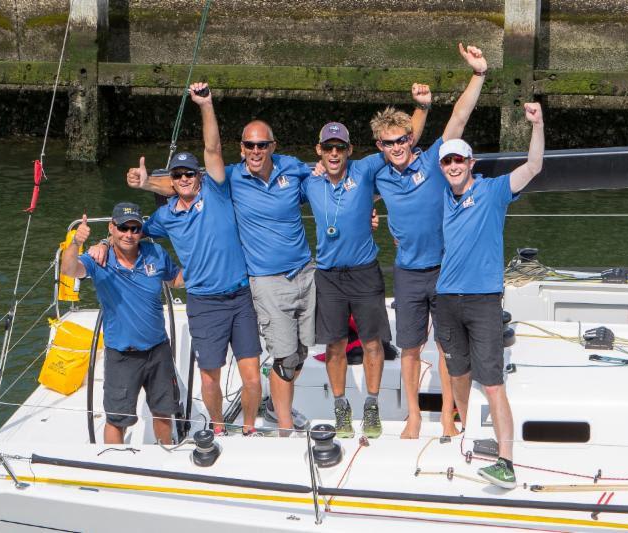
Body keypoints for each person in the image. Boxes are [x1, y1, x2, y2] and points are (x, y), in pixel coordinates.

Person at [130, 85, 427, 437]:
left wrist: (364, 213)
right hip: (267, 282)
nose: (256, 151)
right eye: (250, 145)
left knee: (302, 352)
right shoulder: (231, 180)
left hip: (306, 273)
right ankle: (285, 428)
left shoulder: (298, 171)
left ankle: (278, 403)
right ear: (242, 149)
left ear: (273, 146)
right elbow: (190, 179)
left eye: (263, 145)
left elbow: (383, 158)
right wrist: (151, 182)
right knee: (288, 358)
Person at [122, 83, 264, 436]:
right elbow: (133, 233)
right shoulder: (166, 216)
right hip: (203, 302)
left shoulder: (216, 191)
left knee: (251, 372)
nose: (184, 179)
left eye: (189, 173)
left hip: (240, 296)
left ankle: (248, 428)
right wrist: (102, 245)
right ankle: (217, 428)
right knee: (209, 376)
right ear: (171, 180)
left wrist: (206, 105)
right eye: (178, 175)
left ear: (199, 176)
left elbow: (213, 147)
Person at [371, 43, 488, 439]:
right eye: (389, 143)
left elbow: (459, 116)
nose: (397, 147)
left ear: (411, 139)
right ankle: (414, 417)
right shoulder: (379, 176)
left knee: (447, 349)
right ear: (380, 148)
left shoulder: (435, 161)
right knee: (410, 349)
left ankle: (450, 416)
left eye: (402, 139)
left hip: (445, 270)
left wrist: (478, 75)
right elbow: (340, 186)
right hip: (407, 272)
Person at [435, 102, 544, 489]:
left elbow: (533, 168)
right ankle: (467, 429)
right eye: (447, 161)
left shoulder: (494, 191)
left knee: (492, 381)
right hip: (446, 299)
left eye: (459, 160)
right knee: (458, 373)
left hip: (482, 300)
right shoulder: (442, 195)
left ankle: (506, 461)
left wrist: (537, 125)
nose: (453, 166)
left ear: (471, 162)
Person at [61, 204, 184, 444]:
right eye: (122, 228)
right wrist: (76, 242)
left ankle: (165, 455)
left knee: (163, 410)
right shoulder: (98, 259)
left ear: (141, 230)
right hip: (122, 355)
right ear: (111, 228)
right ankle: (114, 468)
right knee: (117, 420)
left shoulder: (155, 253)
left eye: (135, 228)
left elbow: (176, 279)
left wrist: (204, 264)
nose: (128, 234)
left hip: (159, 350)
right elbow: (68, 269)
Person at [302, 122, 391, 439]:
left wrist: (421, 107)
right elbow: (269, 180)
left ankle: (371, 404)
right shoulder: (308, 181)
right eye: (329, 148)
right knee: (335, 345)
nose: (334, 153)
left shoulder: (365, 169)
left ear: (350, 150)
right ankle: (341, 408)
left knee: (372, 343)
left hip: (365, 271)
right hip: (328, 277)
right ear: (320, 151)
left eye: (340, 147)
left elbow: (403, 144)